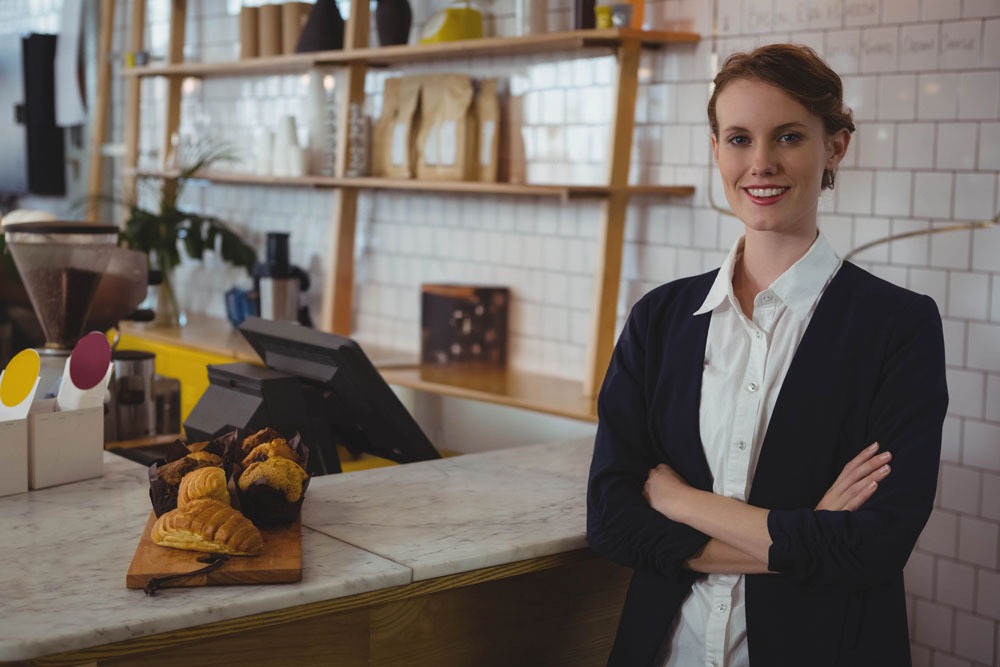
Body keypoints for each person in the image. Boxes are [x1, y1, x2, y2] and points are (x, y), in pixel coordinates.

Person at [586, 43, 948, 667]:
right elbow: (612, 521)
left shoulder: (899, 327)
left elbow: (871, 548)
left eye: (786, 136)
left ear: (835, 147)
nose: (760, 164)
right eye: (738, 139)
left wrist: (677, 501)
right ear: (715, 150)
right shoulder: (659, 319)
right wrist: (805, 533)